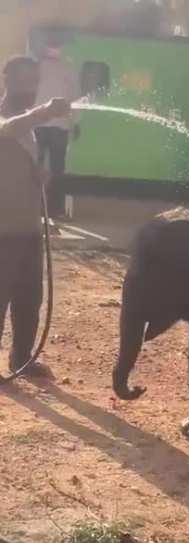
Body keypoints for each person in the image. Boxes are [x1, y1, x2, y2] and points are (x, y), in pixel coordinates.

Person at [0, 55, 70, 377]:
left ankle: (22, 358)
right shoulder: (11, 120)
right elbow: (8, 130)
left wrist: (40, 175)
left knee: (30, 298)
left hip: (28, 229)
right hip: (2, 232)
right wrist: (43, 112)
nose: (31, 88)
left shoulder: (28, 127)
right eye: (25, 81)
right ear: (7, 81)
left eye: (35, 82)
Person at [34, 39, 80, 222]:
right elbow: (75, 99)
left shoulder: (36, 68)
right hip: (60, 127)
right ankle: (55, 209)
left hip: (37, 125)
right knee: (58, 169)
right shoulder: (68, 69)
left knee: (33, 167)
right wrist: (75, 123)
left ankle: (31, 205)